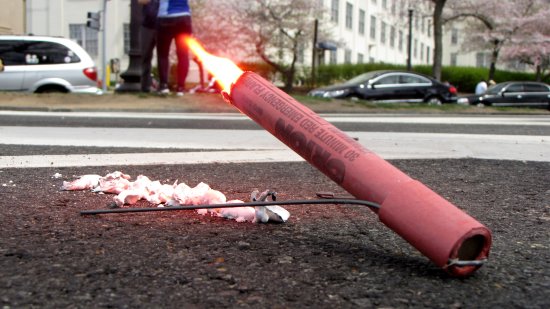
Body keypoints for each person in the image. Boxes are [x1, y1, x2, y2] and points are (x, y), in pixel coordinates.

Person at [156, 0, 192, 96]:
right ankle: (181, 87)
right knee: (183, 54)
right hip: (184, 16)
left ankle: (163, 85)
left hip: (166, 17)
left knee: (163, 54)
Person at [139, 0, 159, 93]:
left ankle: (163, 86)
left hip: (162, 24)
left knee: (163, 57)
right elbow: (140, 1)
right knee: (146, 56)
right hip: (147, 26)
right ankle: (145, 86)